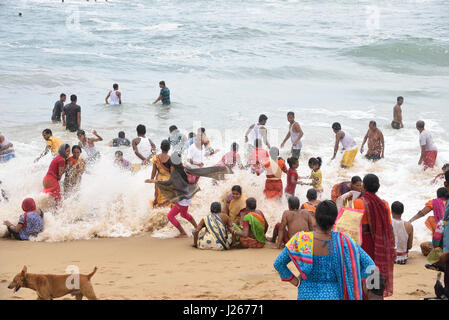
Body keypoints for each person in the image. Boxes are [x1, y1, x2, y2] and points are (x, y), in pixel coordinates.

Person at [273, 200, 375, 300]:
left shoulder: (301, 240)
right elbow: (370, 265)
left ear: (315, 218)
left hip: (306, 294)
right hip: (334, 294)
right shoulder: (344, 242)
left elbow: (278, 264)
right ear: (335, 220)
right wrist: (351, 278)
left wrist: (296, 282)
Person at [353, 174, 395, 298]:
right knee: (375, 271)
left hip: (363, 243)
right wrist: (393, 247)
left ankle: (363, 296)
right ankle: (375, 296)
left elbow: (351, 227)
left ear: (364, 186)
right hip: (380, 243)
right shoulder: (384, 204)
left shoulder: (357, 203)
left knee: (363, 271)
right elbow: (389, 227)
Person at [145, 160, 198, 238]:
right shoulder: (184, 170)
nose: (170, 168)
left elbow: (168, 183)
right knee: (184, 214)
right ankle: (197, 228)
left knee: (170, 216)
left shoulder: (176, 174)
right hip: (187, 197)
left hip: (183, 200)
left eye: (171, 166)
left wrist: (154, 181)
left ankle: (183, 233)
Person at [150, 140, 173, 208]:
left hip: (158, 180)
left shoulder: (156, 158)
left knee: (158, 197)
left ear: (160, 147)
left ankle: (157, 208)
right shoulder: (171, 159)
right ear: (169, 148)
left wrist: (151, 179)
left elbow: (153, 171)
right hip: (167, 181)